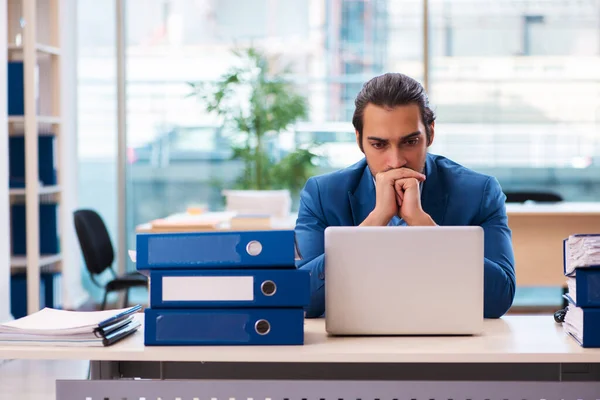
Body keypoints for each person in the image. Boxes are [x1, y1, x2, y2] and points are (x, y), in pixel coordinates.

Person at [294, 72, 516, 319]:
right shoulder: (323, 195)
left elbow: (499, 300)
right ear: (359, 141)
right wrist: (374, 222)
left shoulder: (479, 193)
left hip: (445, 343)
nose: (396, 160)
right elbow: (300, 297)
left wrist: (427, 229)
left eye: (410, 142)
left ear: (430, 134)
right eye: (379, 145)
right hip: (354, 345)